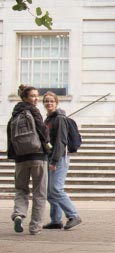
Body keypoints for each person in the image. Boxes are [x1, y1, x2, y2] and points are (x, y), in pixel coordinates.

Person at [7, 84, 49, 235]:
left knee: (21, 190)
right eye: (33, 96)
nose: (36, 98)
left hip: (20, 159)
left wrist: (14, 156)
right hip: (38, 156)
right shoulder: (33, 111)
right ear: (25, 97)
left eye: (37, 95)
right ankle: (35, 226)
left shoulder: (15, 114)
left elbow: (10, 137)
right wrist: (47, 145)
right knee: (39, 192)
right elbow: (43, 131)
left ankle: (18, 214)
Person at [42, 92, 82, 230]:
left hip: (59, 158)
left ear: (56, 102)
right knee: (49, 191)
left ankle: (73, 215)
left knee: (55, 189)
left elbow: (61, 141)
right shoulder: (48, 120)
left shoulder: (59, 118)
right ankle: (56, 220)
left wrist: (54, 161)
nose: (49, 103)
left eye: (51, 101)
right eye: (46, 101)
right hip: (51, 156)